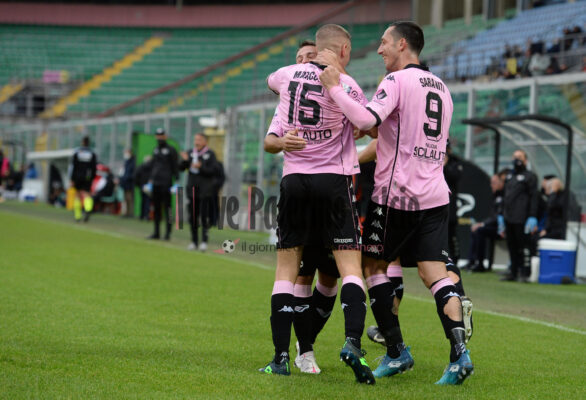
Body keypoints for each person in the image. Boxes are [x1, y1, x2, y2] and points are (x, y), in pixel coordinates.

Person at [320, 20, 473, 385]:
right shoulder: (442, 88)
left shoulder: (396, 81)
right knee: (434, 273)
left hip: (396, 195)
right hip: (435, 195)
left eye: (384, 42)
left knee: (372, 266)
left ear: (402, 44)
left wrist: (335, 87)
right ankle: (459, 356)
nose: (379, 49)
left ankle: (396, 351)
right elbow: (394, 129)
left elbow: (366, 117)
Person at [259, 24, 375, 384]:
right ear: (342, 50)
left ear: (317, 50)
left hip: (295, 181)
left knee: (285, 271)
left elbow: (272, 81)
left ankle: (281, 357)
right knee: (350, 268)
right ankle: (352, 342)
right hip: (334, 182)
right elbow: (369, 124)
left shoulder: (286, 77)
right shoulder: (347, 85)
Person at [263, 39, 340, 375]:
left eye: (310, 56)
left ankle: (302, 346)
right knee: (301, 275)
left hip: (334, 191)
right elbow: (269, 142)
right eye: (299, 58)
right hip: (302, 190)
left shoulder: (339, 92)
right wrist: (283, 141)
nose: (305, 63)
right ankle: (302, 350)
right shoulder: (288, 104)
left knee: (331, 278)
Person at [499, 150, 538, 282]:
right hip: (508, 216)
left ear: (525, 160)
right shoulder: (510, 176)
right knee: (512, 246)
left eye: (520, 157)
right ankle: (513, 272)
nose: (517, 160)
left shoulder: (530, 176)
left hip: (522, 217)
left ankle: (525, 273)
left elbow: (534, 197)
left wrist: (532, 215)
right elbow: (504, 196)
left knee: (523, 246)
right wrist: (501, 214)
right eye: (515, 157)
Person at [180, 132, 218, 252]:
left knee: (204, 216)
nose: (197, 142)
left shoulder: (210, 154)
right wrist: (185, 161)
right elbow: (181, 168)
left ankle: (204, 242)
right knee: (193, 216)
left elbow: (213, 171)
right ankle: (194, 241)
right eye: (195, 139)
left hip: (205, 190)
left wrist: (200, 167)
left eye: (199, 140)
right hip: (192, 189)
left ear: (205, 141)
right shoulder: (190, 153)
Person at [466, 171, 506, 272]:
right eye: (491, 183)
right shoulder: (496, 196)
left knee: (479, 230)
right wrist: (482, 224)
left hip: (503, 229)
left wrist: (482, 224)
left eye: (494, 183)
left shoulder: (506, 195)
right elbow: (493, 216)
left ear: (501, 183)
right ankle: (471, 262)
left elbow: (497, 217)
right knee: (476, 230)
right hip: (494, 226)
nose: (491, 185)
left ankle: (480, 264)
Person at [147, 128, 178, 240]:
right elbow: (154, 166)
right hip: (156, 183)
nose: (159, 137)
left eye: (161, 135)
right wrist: (150, 179)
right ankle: (156, 232)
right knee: (156, 208)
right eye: (158, 135)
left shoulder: (171, 150)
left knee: (167, 208)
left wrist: (177, 181)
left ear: (165, 136)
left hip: (166, 183)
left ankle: (168, 233)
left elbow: (175, 166)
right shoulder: (156, 150)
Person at [443, 141, 463, 266]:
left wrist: (444, 165)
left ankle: (455, 258)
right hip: (435, 202)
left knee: (451, 233)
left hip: (450, 204)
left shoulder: (455, 163)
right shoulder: (432, 160)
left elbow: (455, 177)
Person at [69, 136, 97, 222]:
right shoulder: (92, 154)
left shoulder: (77, 152)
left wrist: (72, 178)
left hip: (77, 176)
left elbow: (73, 166)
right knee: (87, 194)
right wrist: (92, 178)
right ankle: (88, 209)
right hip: (87, 177)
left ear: (82, 142)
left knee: (77, 195)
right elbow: (94, 168)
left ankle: (77, 216)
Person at [134, 155, 152, 221]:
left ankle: (141, 215)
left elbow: (136, 175)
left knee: (143, 201)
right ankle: (146, 216)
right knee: (148, 201)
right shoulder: (152, 167)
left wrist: (138, 184)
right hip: (149, 186)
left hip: (142, 185)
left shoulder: (140, 166)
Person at [119, 148, 136, 217]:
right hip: (125, 183)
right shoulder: (127, 161)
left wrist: (127, 178)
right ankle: (126, 213)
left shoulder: (133, 162)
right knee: (125, 199)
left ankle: (130, 213)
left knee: (129, 198)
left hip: (129, 183)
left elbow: (132, 173)